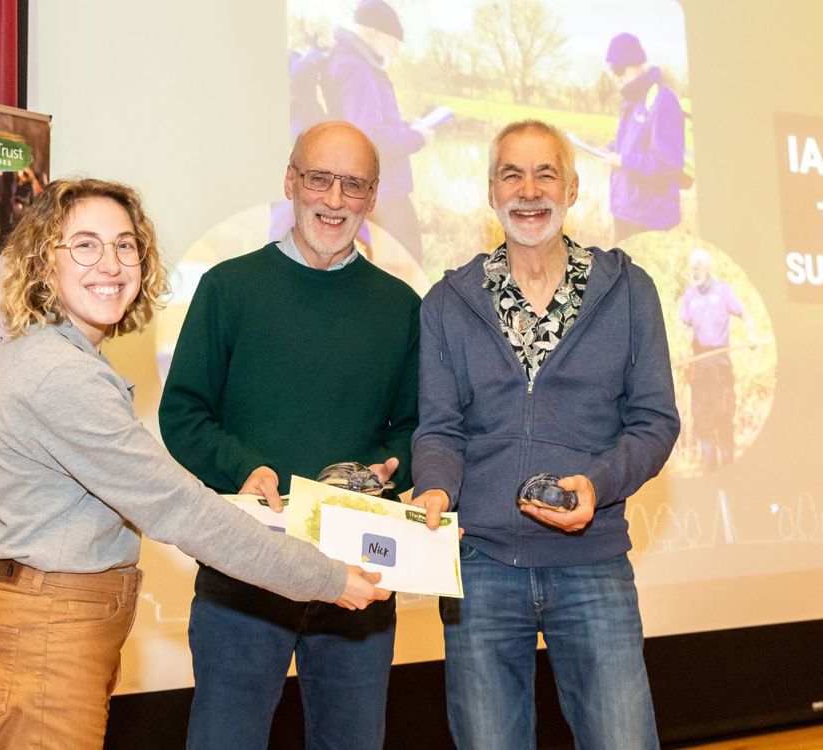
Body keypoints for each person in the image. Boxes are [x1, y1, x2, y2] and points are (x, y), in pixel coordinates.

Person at [0, 177, 390, 749]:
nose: (111, 264)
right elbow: (180, 509)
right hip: (48, 639)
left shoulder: (50, 353)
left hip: (54, 630)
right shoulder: (60, 373)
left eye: (125, 245)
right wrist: (328, 578)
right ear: (43, 261)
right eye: (84, 245)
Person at [409, 120, 680, 749]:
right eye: (512, 174)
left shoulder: (629, 291)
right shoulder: (447, 302)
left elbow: (655, 421)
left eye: (545, 174)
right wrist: (435, 491)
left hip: (593, 564)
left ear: (573, 188)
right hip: (480, 567)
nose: (529, 191)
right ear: (491, 191)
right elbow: (440, 429)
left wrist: (598, 484)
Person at [159, 120, 420, 750]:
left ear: (372, 195)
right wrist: (243, 467)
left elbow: (418, 427)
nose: (334, 199)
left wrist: (393, 465)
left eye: (352, 185)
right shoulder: (228, 287)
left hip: (356, 573)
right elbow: (183, 412)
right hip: (244, 571)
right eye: (319, 179)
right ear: (290, 181)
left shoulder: (402, 306)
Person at [320, 0, 431, 264]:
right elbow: (371, 138)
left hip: (372, 187)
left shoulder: (351, 62)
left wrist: (407, 127)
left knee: (388, 267)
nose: (396, 48)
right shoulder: (357, 69)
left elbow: (368, 124)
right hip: (382, 190)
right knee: (405, 266)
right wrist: (418, 137)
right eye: (393, 40)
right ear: (373, 31)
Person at [604, 32, 687, 243]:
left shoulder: (663, 101)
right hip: (624, 212)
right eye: (613, 71)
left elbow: (667, 163)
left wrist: (623, 161)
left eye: (619, 70)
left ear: (637, 64)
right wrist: (611, 149)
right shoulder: (631, 101)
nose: (616, 77)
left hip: (650, 220)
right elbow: (632, 146)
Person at [679, 248, 755, 471]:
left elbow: (744, 314)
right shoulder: (689, 296)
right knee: (702, 415)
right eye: (692, 268)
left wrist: (752, 335)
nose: (694, 272)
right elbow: (684, 326)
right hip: (699, 361)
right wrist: (684, 347)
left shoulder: (723, 291)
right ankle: (709, 466)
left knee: (723, 411)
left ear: (707, 268)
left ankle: (728, 464)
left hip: (720, 360)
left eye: (698, 268)